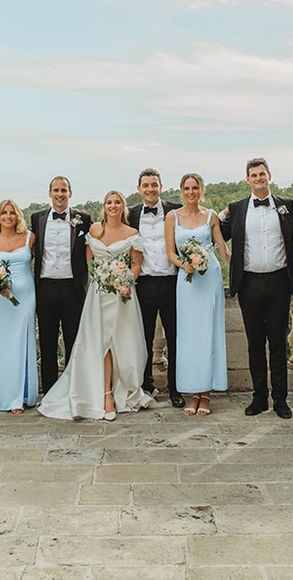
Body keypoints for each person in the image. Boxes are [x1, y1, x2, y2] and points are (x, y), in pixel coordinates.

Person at [39, 190, 155, 421]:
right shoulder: (93, 230)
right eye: (109, 202)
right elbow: (87, 260)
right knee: (100, 344)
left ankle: (122, 389)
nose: (113, 206)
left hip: (122, 297)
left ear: (123, 207)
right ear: (104, 206)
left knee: (121, 344)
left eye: (117, 202)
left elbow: (136, 266)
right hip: (98, 295)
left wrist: (125, 283)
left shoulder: (132, 233)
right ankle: (105, 396)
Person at [220, 158, 293, 419]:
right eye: (253, 175)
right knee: (255, 343)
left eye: (262, 174)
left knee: (278, 343)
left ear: (269, 176)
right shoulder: (238, 208)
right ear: (247, 179)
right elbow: (215, 232)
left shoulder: (286, 206)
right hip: (249, 283)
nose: (258, 178)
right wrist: (219, 217)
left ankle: (280, 400)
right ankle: (259, 398)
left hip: (278, 281)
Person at [165, 173, 230, 416]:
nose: (191, 192)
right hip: (187, 280)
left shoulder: (211, 216)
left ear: (201, 190)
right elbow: (170, 252)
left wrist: (241, 268)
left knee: (208, 332)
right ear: (182, 191)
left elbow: (222, 249)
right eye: (187, 188)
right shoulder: (172, 217)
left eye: (195, 188)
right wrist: (184, 265)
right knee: (189, 336)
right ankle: (194, 391)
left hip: (210, 278)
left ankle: (207, 393)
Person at [127, 168, 184, 407]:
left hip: (173, 282)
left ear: (161, 186)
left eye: (154, 184)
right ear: (139, 189)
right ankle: (146, 386)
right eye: (146, 185)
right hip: (144, 283)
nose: (150, 189)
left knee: (175, 337)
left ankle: (176, 388)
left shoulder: (175, 211)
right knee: (144, 337)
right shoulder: (130, 214)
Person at [31, 176, 92, 393]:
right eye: (56, 190)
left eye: (64, 190)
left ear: (70, 193)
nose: (60, 194)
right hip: (45, 287)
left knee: (73, 341)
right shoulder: (36, 218)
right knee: (46, 342)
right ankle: (49, 391)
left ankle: (72, 389)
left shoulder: (83, 218)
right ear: (49, 193)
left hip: (72, 289)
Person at [0, 200, 38, 413]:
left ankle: (23, 394)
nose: (8, 216)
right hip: (0, 301)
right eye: (4, 213)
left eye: (12, 213)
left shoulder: (29, 238)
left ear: (18, 216)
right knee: (1, 346)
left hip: (25, 298)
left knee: (22, 342)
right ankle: (3, 395)